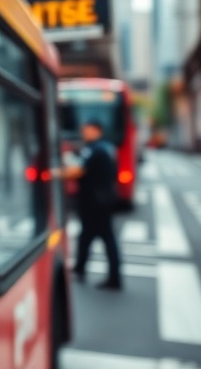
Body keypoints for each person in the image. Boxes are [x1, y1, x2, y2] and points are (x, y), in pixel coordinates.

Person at [55, 118, 122, 290]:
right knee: (87, 236)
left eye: (86, 129)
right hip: (101, 199)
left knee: (105, 238)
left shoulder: (94, 149)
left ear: (96, 130)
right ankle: (81, 268)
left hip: (95, 202)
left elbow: (78, 171)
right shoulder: (105, 148)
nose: (84, 132)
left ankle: (113, 277)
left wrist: (55, 174)